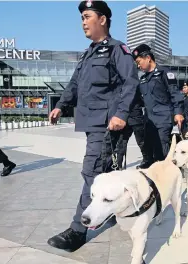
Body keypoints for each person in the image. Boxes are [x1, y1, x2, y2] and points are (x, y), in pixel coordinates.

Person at [47, 0, 139, 252]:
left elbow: (130, 82)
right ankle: (115, 212)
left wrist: (121, 113)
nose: (83, 22)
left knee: (92, 173)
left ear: (103, 19)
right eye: (81, 18)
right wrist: (61, 106)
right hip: (91, 122)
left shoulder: (117, 50)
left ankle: (78, 230)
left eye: (87, 16)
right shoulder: (88, 53)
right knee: (105, 173)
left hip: (107, 124)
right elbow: (75, 84)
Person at [132, 44, 184, 163]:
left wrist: (178, 113)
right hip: (149, 120)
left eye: (139, 62)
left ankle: (166, 176)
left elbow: (175, 94)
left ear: (148, 58)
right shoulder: (143, 79)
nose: (138, 65)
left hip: (163, 119)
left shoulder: (164, 73)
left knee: (162, 149)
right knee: (150, 150)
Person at [116, 89, 149, 170]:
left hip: (127, 118)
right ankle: (146, 160)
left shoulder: (122, 88)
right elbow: (143, 102)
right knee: (141, 142)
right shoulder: (135, 87)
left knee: (123, 142)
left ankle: (118, 165)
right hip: (135, 118)